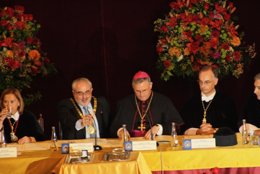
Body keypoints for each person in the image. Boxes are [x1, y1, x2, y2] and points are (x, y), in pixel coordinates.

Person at [110, 71, 183, 139]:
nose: (141, 94)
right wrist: (120, 131)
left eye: (144, 90)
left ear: (151, 85)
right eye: (138, 91)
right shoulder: (124, 103)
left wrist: (158, 128)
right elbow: (113, 127)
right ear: (133, 88)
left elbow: (177, 125)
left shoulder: (164, 101)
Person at [181, 65, 238, 135]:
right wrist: (198, 131)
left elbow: (232, 127)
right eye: (200, 82)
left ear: (216, 81)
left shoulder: (227, 102)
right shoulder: (190, 103)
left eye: (207, 82)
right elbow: (184, 128)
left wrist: (213, 130)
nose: (202, 86)